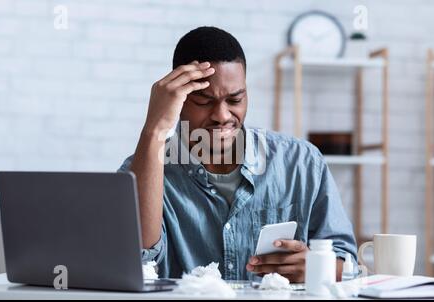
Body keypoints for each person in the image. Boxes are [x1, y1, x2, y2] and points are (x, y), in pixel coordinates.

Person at [118, 26, 357, 282]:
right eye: (203, 101)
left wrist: (319, 268)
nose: (222, 116)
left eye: (235, 100)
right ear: (179, 98)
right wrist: (155, 129)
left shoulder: (301, 162)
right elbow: (135, 264)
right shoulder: (144, 170)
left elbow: (348, 263)